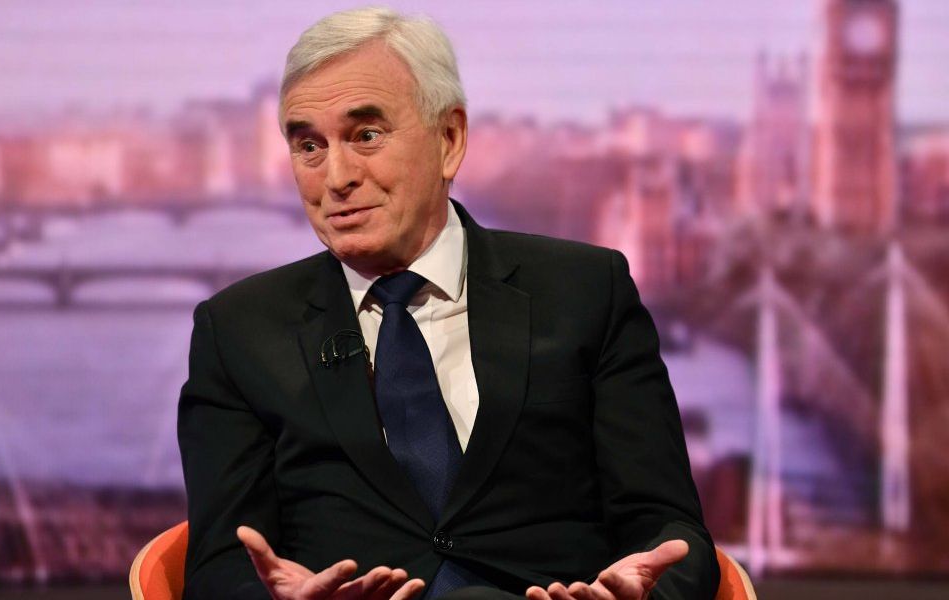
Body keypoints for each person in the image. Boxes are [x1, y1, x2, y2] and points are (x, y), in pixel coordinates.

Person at [177, 7, 720, 600]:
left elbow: (670, 533)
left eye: (366, 136)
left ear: (449, 140)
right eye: (309, 145)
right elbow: (221, 567)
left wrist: (638, 596)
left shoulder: (587, 292)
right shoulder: (238, 333)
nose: (336, 177)